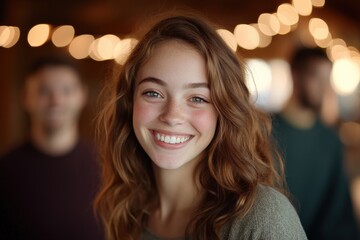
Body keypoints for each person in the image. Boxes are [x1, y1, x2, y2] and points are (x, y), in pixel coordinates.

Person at [95, 14, 307, 240]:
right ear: (129, 103)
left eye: (197, 98)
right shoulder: (123, 209)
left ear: (224, 111)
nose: (172, 116)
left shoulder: (261, 217)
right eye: (153, 93)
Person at [0, 57, 103, 240]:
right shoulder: (5, 171)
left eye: (66, 90)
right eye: (44, 91)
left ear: (82, 96)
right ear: (25, 97)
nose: (56, 100)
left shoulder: (107, 167)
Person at [272, 47, 359, 239]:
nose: (324, 87)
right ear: (295, 75)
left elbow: (339, 211)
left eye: (327, 79)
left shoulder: (331, 140)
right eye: (316, 77)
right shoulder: (263, 133)